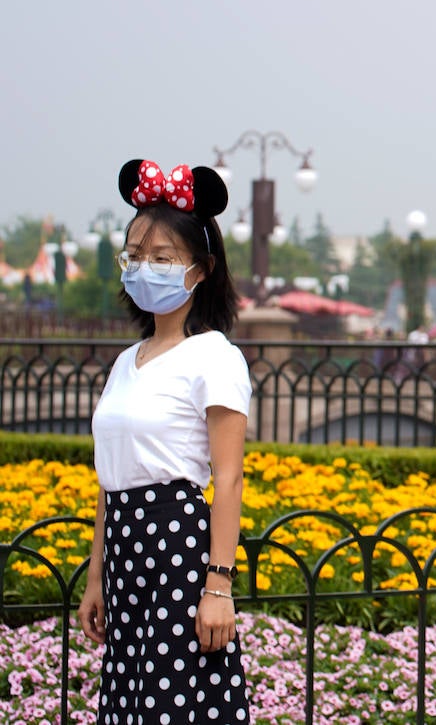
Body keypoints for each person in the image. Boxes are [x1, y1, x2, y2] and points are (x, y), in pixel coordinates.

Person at [77, 158, 252, 724]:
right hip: (126, 550)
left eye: (162, 258)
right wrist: (96, 575)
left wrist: (218, 586)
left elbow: (227, 478)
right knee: (129, 704)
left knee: (172, 706)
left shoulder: (214, 356)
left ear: (199, 271)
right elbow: (112, 479)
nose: (143, 268)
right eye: (135, 256)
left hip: (177, 546)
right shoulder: (127, 362)